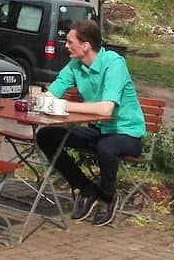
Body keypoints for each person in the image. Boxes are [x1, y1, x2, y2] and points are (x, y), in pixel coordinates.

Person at [35, 19, 144, 227]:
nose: (65, 46)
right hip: (98, 130)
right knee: (45, 136)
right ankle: (85, 188)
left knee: (106, 147)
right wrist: (40, 101)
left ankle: (108, 197)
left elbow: (105, 109)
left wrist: (63, 106)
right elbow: (51, 95)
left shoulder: (114, 63)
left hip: (127, 133)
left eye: (69, 41)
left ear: (85, 45)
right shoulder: (75, 65)